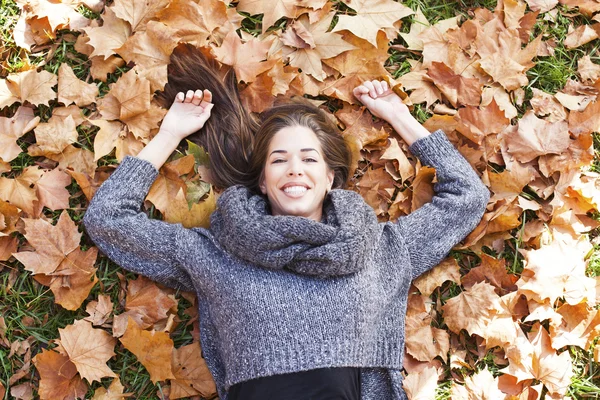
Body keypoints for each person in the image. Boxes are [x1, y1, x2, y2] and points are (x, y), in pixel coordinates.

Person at [83, 47, 490, 400]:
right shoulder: (215, 253)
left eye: (310, 159)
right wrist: (170, 133)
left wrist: (399, 116)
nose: (295, 170)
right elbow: (107, 219)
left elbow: (467, 197)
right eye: (279, 160)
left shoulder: (380, 250)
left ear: (330, 178)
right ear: (263, 180)